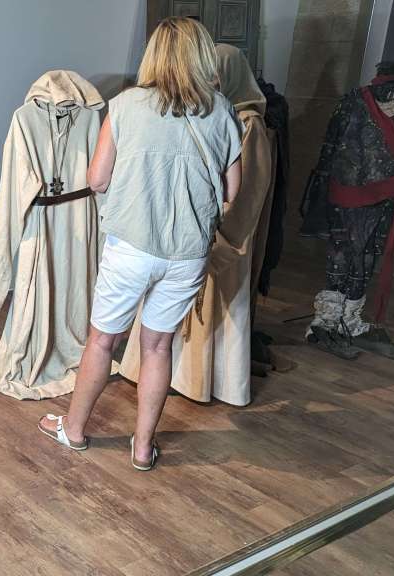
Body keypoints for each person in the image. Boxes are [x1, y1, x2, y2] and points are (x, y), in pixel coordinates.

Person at [37, 17, 243, 470]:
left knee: (101, 342)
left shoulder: (126, 105)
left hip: (131, 246)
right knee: (158, 347)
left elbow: (96, 178)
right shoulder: (222, 110)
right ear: (201, 56)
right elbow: (232, 190)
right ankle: (143, 447)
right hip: (187, 252)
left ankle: (74, 430)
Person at [118, 43, 276, 407]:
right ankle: (163, 377)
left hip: (220, 240)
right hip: (186, 235)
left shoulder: (248, 124)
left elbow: (246, 195)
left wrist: (218, 245)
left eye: (216, 74)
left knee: (213, 314)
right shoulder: (203, 112)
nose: (210, 81)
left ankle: (204, 382)